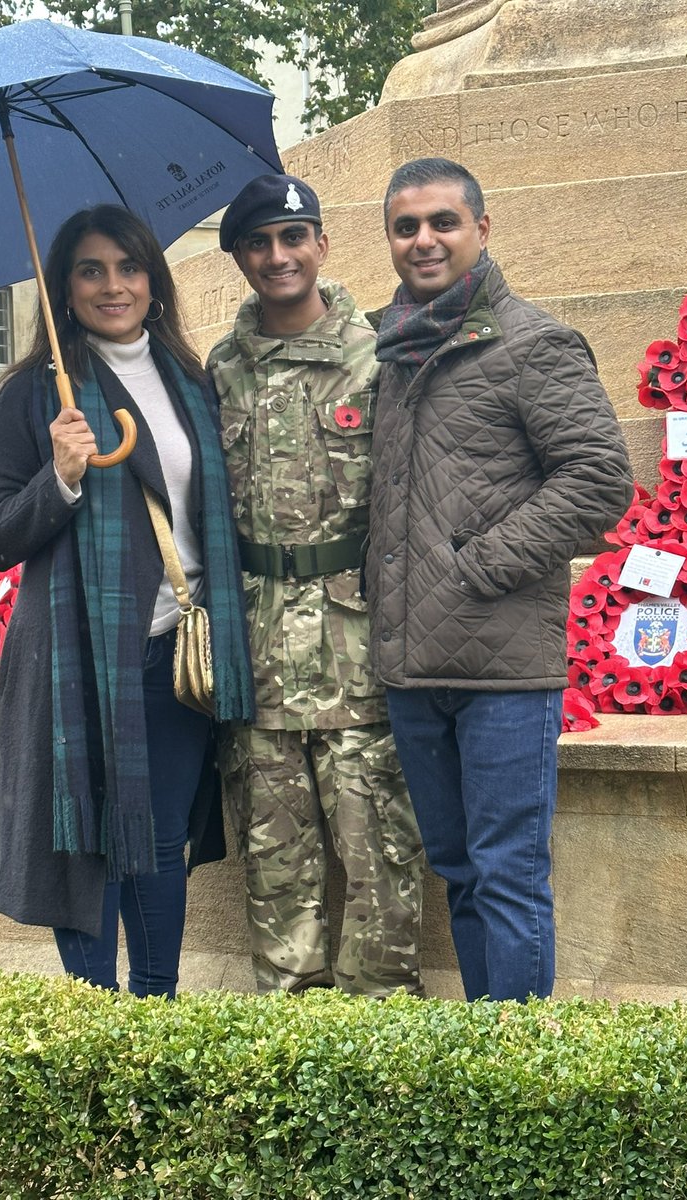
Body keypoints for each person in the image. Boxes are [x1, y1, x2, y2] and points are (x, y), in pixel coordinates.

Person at [366, 158, 634, 1002]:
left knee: (508, 875)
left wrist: (479, 563)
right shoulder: (382, 349)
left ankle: (519, 1074)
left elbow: (599, 478)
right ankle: (481, 1061)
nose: (424, 240)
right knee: (457, 869)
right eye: (407, 227)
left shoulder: (533, 342)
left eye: (443, 221)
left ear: (483, 229)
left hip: (505, 670)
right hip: (412, 670)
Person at [0, 204, 254, 998]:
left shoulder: (191, 382)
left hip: (176, 648)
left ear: (154, 283)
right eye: (91, 269)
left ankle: (153, 1008)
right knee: (84, 843)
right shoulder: (35, 393)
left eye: (128, 267)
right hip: (75, 651)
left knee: (161, 840)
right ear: (64, 287)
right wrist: (58, 476)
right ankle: (96, 1022)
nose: (113, 285)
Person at [208, 173, 424, 997]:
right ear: (238, 258)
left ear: (323, 246)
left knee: (383, 867)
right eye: (258, 243)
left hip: (359, 650)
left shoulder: (380, 357)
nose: (277, 256)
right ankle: (290, 1048)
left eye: (292, 238)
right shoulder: (222, 372)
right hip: (258, 656)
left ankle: (389, 1048)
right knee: (273, 868)